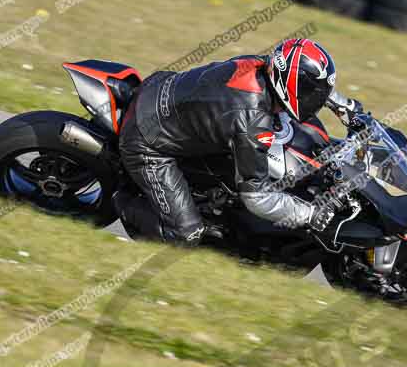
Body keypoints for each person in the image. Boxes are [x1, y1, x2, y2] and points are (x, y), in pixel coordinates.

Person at [118, 38, 362, 246]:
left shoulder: (262, 66)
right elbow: (257, 197)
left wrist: (344, 106)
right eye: (312, 92)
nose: (316, 98)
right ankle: (120, 201)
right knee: (187, 234)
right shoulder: (253, 122)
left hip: (162, 89)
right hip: (146, 140)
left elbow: (301, 79)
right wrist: (309, 214)